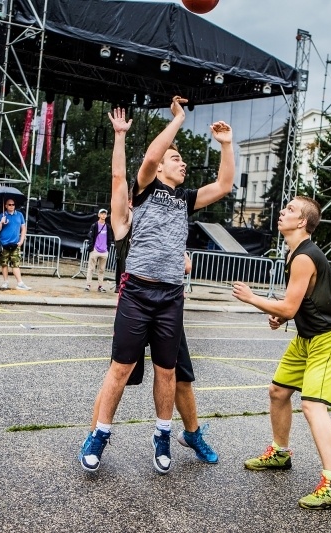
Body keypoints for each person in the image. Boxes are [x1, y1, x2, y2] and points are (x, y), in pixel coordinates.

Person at [79, 96, 233, 475]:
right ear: (162, 164)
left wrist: (227, 146)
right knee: (120, 368)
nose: (181, 163)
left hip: (170, 296)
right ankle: (99, 434)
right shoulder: (145, 189)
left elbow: (225, 184)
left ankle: (163, 434)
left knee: (168, 372)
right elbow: (147, 159)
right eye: (176, 158)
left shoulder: (185, 199)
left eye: (181, 159)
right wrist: (177, 120)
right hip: (137, 292)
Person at [231, 195, 331, 510]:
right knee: (277, 391)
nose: (283, 212)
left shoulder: (303, 256)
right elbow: (295, 304)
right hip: (308, 335)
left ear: (302, 222)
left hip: (330, 336)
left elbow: (288, 304)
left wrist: (253, 298)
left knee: (313, 406)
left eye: (290, 210)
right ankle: (281, 452)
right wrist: (282, 316)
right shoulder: (293, 252)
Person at [0, 198, 31, 290]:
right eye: (10, 204)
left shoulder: (19, 215)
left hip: (15, 243)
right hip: (4, 243)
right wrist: (1, 222)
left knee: (16, 263)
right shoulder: (2, 215)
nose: (12, 206)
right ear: (6, 206)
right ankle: (5, 282)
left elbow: (23, 228)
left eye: (13, 204)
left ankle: (20, 283)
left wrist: (21, 240)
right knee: (4, 263)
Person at [85, 208, 112, 292]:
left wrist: (107, 248)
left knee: (102, 270)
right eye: (102, 213)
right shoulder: (94, 225)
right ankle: (88, 285)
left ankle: (100, 286)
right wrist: (92, 248)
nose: (103, 215)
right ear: (99, 215)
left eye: (105, 214)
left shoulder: (108, 226)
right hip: (95, 250)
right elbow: (90, 236)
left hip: (104, 251)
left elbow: (109, 238)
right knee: (91, 268)